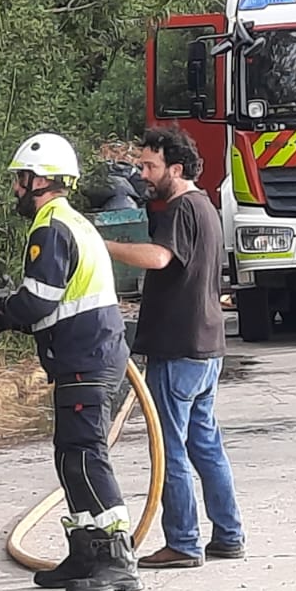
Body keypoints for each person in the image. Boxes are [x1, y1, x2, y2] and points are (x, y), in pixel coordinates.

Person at [0, 132, 142, 591]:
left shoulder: (51, 226)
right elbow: (53, 308)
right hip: (81, 356)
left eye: (20, 180)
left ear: (40, 180)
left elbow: (35, 302)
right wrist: (2, 315)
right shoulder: (72, 223)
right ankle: (86, 551)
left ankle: (117, 560)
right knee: (70, 456)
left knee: (86, 455)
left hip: (87, 359)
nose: (15, 190)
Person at [104, 127, 245, 568]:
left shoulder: (182, 210)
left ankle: (183, 542)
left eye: (150, 166)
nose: (143, 174)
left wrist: (100, 245)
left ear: (176, 168)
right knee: (205, 443)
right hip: (206, 347)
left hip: (178, 349)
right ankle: (228, 534)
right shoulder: (205, 207)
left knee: (170, 449)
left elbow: (160, 258)